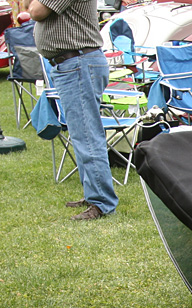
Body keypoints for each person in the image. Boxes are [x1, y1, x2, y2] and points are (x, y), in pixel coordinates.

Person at [28, 0, 116, 220]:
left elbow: (36, 11)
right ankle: (93, 194)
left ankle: (101, 203)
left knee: (87, 134)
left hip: (78, 62)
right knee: (81, 134)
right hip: (73, 63)